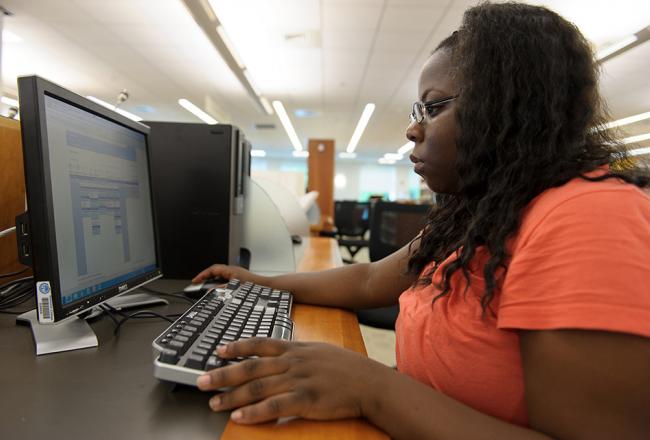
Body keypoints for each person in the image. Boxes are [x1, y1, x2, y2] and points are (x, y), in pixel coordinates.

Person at [192, 3, 650, 438]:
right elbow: (371, 279)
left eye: (433, 107)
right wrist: (263, 284)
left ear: (507, 107)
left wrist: (372, 386)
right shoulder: (480, 212)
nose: (413, 129)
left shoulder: (588, 216)